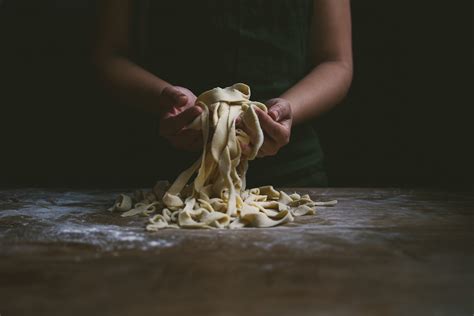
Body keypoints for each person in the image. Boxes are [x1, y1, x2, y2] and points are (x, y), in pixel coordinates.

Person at [94, 0, 352, 187]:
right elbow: (110, 56)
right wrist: (165, 98)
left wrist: (285, 110)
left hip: (291, 172)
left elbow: (335, 62)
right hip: (164, 173)